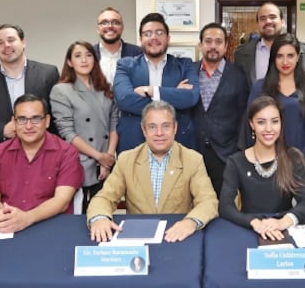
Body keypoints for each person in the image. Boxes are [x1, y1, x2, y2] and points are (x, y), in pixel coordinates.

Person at [87, 101, 218, 243]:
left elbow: (208, 201)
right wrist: (100, 218)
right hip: (137, 237)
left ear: (175, 128)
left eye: (166, 126)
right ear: (144, 130)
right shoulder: (127, 159)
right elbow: (104, 197)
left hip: (176, 236)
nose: (159, 133)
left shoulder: (193, 159)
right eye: (152, 127)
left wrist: (191, 221)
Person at [0, 94, 84, 233]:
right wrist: (4, 217)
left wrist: (26, 218)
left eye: (36, 119)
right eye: (22, 119)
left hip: (51, 228)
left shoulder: (67, 153)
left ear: (47, 121)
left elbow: (62, 202)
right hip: (8, 228)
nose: (28, 126)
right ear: (14, 122)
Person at [220, 96, 305, 240]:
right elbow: (225, 207)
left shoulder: (293, 157)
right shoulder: (236, 161)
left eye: (275, 121)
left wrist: (282, 222)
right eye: (261, 122)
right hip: (249, 230)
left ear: (281, 123)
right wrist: (254, 223)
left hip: (284, 230)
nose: (269, 129)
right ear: (251, 124)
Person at [0, 24, 59, 153]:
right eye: (0, 43)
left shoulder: (48, 73)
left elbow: (58, 117)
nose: (6, 45)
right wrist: (2, 130)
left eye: (11, 40)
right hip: (3, 155)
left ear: (23, 42)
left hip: (45, 152)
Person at [113, 12, 199, 152]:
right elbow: (125, 99)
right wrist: (174, 94)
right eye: (147, 34)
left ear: (168, 38)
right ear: (140, 39)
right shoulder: (125, 65)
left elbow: (190, 97)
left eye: (159, 32)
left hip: (178, 144)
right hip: (134, 144)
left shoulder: (185, 65)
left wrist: (151, 91)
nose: (153, 37)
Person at [50, 40, 119, 212]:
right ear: (69, 62)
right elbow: (67, 132)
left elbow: (114, 124)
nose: (84, 60)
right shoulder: (61, 90)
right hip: (79, 161)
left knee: (104, 210)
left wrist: (107, 159)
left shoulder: (105, 88)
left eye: (89, 55)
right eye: (78, 56)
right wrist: (98, 157)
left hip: (106, 161)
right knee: (79, 212)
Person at [192, 22, 250, 195]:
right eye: (208, 41)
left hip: (225, 155)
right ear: (200, 45)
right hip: (193, 152)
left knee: (223, 207)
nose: (213, 46)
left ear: (226, 46)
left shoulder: (238, 75)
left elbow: (243, 115)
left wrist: (238, 151)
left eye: (218, 42)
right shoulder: (189, 72)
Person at [247, 35, 305, 155]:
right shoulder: (259, 88)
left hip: (300, 162)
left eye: (290, 56)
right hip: (265, 160)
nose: (285, 62)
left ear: (298, 57)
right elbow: (250, 126)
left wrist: (301, 162)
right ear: (273, 58)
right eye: (280, 56)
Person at [233, 1, 305, 86]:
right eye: (263, 18)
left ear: (282, 21)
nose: (268, 21)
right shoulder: (241, 53)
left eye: (272, 17)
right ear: (258, 23)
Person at [93, 6, 141, 82]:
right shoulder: (89, 54)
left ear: (122, 27)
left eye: (115, 22)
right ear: (97, 29)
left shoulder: (138, 53)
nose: (110, 26)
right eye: (104, 23)